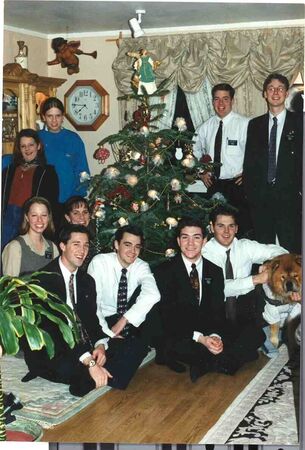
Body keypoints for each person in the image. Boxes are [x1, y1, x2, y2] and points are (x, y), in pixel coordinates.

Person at [22, 224, 148, 397]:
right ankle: (92, 376)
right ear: (63, 246)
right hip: (54, 348)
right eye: (76, 244)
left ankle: (92, 378)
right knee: (73, 365)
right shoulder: (44, 280)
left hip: (82, 343)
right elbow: (53, 331)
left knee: (137, 346)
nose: (82, 250)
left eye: (86, 245)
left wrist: (100, 346)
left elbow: (91, 321)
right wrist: (90, 362)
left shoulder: (86, 281)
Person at [154, 216, 263, 382]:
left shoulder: (215, 271)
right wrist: (202, 339)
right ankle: (223, 361)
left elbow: (217, 311)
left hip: (206, 330)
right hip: (181, 333)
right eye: (185, 237)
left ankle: (210, 363)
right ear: (178, 240)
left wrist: (215, 336)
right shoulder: (164, 272)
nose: (191, 243)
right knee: (184, 346)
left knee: (256, 334)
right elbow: (168, 317)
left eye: (196, 237)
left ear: (204, 241)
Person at [202, 204, 288, 357]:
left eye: (231, 226)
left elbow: (282, 252)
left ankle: (263, 332)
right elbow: (220, 289)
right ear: (212, 227)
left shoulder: (245, 246)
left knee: (264, 287)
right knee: (233, 354)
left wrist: (269, 264)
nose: (226, 232)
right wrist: (255, 279)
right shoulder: (205, 252)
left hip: (246, 307)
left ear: (236, 228)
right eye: (221, 226)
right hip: (216, 310)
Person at [243, 73, 303, 253]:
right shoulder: (255, 125)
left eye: (280, 89)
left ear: (286, 93)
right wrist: (251, 194)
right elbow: (250, 163)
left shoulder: (300, 122)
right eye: (271, 88)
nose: (275, 92)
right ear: (264, 93)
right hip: (261, 201)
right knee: (263, 251)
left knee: (293, 251)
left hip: (291, 200)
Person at [87, 224, 161, 354]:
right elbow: (93, 305)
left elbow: (153, 294)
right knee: (120, 351)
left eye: (137, 246)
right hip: (103, 319)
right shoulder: (100, 262)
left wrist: (124, 319)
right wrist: (106, 333)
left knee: (137, 349)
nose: (133, 251)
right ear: (116, 245)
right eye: (127, 244)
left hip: (127, 317)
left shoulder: (141, 265)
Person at [193, 83, 251, 237]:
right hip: (213, 184)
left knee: (239, 230)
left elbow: (255, 154)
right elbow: (193, 150)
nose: (221, 104)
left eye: (225, 99)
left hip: (237, 186)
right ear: (212, 102)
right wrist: (201, 171)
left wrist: (248, 173)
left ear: (232, 101)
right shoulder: (205, 127)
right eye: (217, 99)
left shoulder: (245, 125)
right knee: (214, 230)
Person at [1, 128, 59, 249]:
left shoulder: (47, 172)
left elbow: (51, 204)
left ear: (38, 146)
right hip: (7, 217)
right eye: (23, 146)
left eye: (31, 145)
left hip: (28, 218)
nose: (27, 149)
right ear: (19, 149)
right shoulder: (9, 170)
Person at [38, 97, 90, 205]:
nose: (54, 120)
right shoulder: (37, 139)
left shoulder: (73, 139)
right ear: (43, 117)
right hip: (43, 200)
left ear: (63, 117)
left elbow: (83, 170)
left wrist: (78, 196)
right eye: (50, 116)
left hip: (69, 199)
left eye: (58, 116)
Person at [2, 196, 59, 276]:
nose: (40, 220)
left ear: (49, 217)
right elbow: (9, 285)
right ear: (27, 218)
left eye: (44, 215)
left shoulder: (53, 248)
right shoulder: (15, 247)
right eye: (34, 215)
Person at [62, 195, 97, 270]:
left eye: (85, 212)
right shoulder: (63, 240)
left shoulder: (97, 238)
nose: (81, 217)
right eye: (76, 213)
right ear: (68, 217)